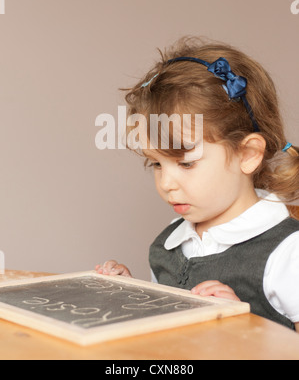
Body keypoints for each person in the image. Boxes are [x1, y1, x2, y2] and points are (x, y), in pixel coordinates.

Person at [95, 36, 299, 331]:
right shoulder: (167, 245)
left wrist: (247, 327)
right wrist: (132, 296)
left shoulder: (287, 251)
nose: (166, 183)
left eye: (186, 163)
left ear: (248, 154)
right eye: (156, 164)